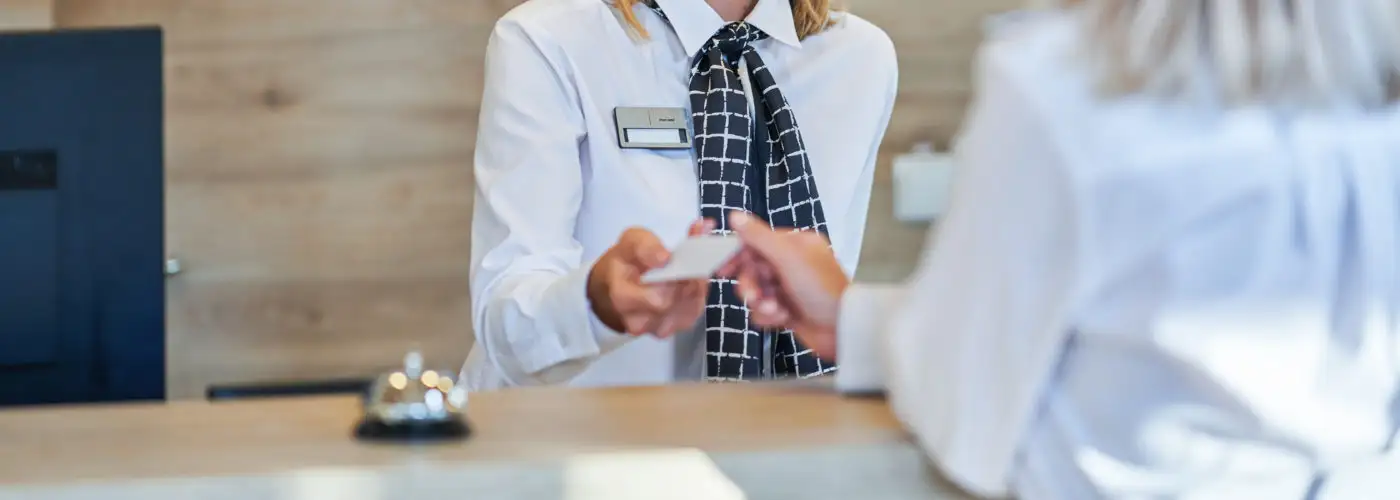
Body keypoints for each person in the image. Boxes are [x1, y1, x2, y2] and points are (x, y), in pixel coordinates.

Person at [719, 1, 1400, 498]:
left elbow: (966, 420)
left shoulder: (1060, 80)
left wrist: (858, 321)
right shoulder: (1372, 86)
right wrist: (849, 318)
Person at [461, 0, 898, 390]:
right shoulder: (547, 40)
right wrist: (594, 305)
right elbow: (506, 327)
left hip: (786, 451)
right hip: (579, 451)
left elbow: (831, 281)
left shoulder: (862, 59)